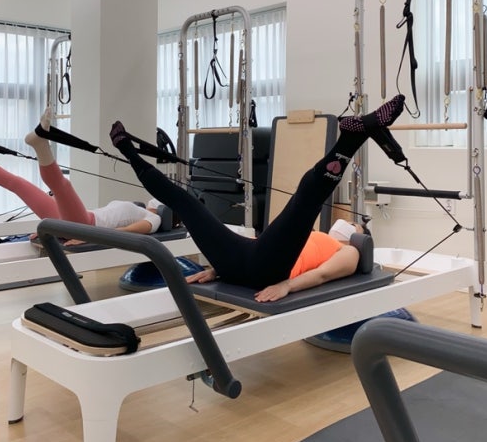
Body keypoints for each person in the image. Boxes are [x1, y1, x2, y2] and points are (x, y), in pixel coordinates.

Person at [108, 94, 406, 302]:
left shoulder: (350, 251)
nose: (351, 224)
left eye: (356, 226)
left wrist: (287, 286)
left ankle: (352, 137)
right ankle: (129, 151)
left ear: (360, 237)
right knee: (184, 202)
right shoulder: (318, 236)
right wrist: (217, 270)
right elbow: (262, 243)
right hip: (239, 260)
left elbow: (321, 277)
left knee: (306, 201)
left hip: (268, 272)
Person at [0, 112, 163, 239]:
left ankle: (41, 143)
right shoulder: (140, 208)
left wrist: (92, 237)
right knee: (17, 183)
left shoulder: (154, 218)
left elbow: (129, 232)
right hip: (72, 220)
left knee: (63, 185)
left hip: (85, 226)